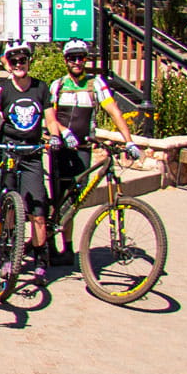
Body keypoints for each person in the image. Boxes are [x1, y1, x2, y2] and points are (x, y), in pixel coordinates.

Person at [0, 42, 58, 278]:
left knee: (38, 212)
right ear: (8, 64)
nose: (19, 64)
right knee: (9, 206)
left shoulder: (41, 88)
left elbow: (50, 119)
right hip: (8, 150)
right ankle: (8, 254)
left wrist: (57, 136)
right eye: (14, 61)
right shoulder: (3, 88)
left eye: (23, 60)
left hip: (32, 153)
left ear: (29, 62)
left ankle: (41, 257)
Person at [49, 39, 138, 239]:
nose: (77, 62)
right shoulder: (58, 85)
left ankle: (66, 243)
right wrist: (63, 131)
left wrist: (129, 140)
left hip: (83, 148)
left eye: (81, 57)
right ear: (66, 60)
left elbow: (114, 111)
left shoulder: (95, 84)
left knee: (75, 199)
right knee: (59, 197)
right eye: (72, 58)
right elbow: (50, 118)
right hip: (60, 149)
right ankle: (52, 244)